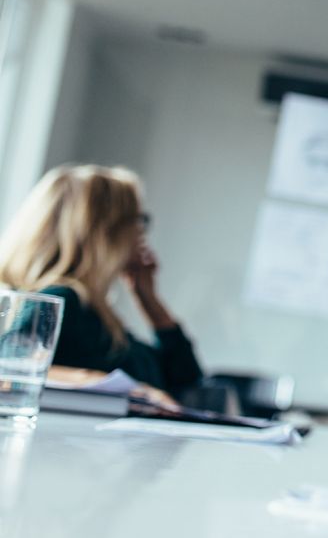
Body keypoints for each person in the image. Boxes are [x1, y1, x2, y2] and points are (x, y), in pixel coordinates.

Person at [0, 165, 203, 402]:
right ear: (104, 230)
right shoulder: (63, 298)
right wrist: (131, 391)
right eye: (137, 220)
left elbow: (186, 378)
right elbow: (12, 368)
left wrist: (148, 298)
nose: (141, 233)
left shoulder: (94, 312)